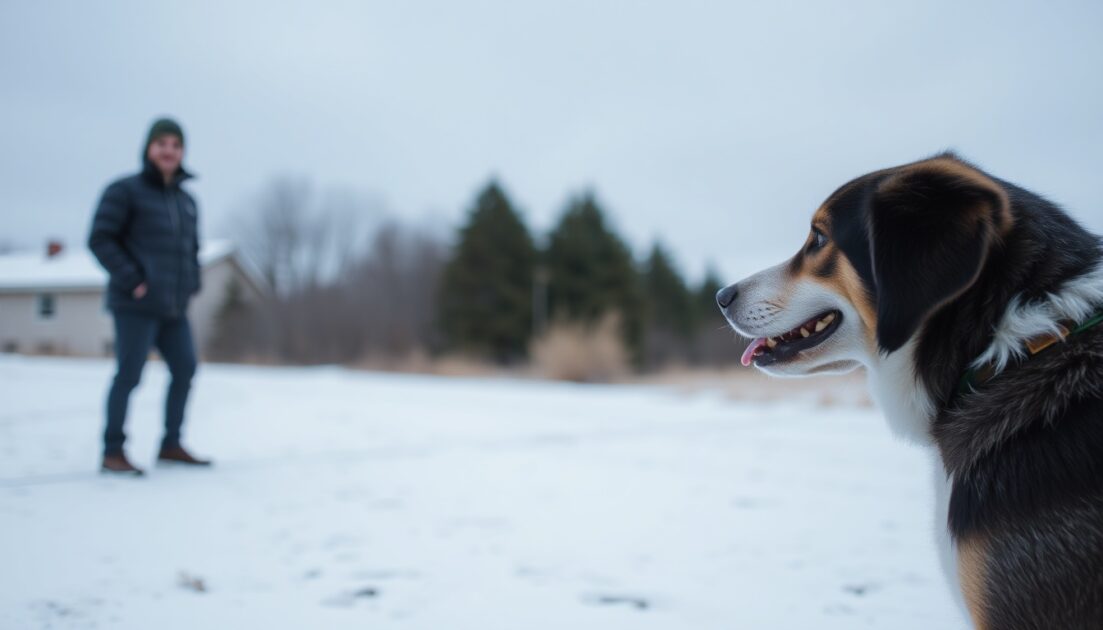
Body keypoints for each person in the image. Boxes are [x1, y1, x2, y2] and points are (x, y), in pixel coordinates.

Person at [88, 117, 212, 475]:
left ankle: (171, 444)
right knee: (129, 374)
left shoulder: (187, 201)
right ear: (149, 148)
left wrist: (192, 283)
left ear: (182, 151)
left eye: (175, 145)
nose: (169, 151)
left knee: (186, 368)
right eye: (162, 144)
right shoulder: (124, 191)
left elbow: (191, 249)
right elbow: (100, 239)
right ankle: (113, 451)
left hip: (174, 306)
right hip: (135, 303)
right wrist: (133, 279)